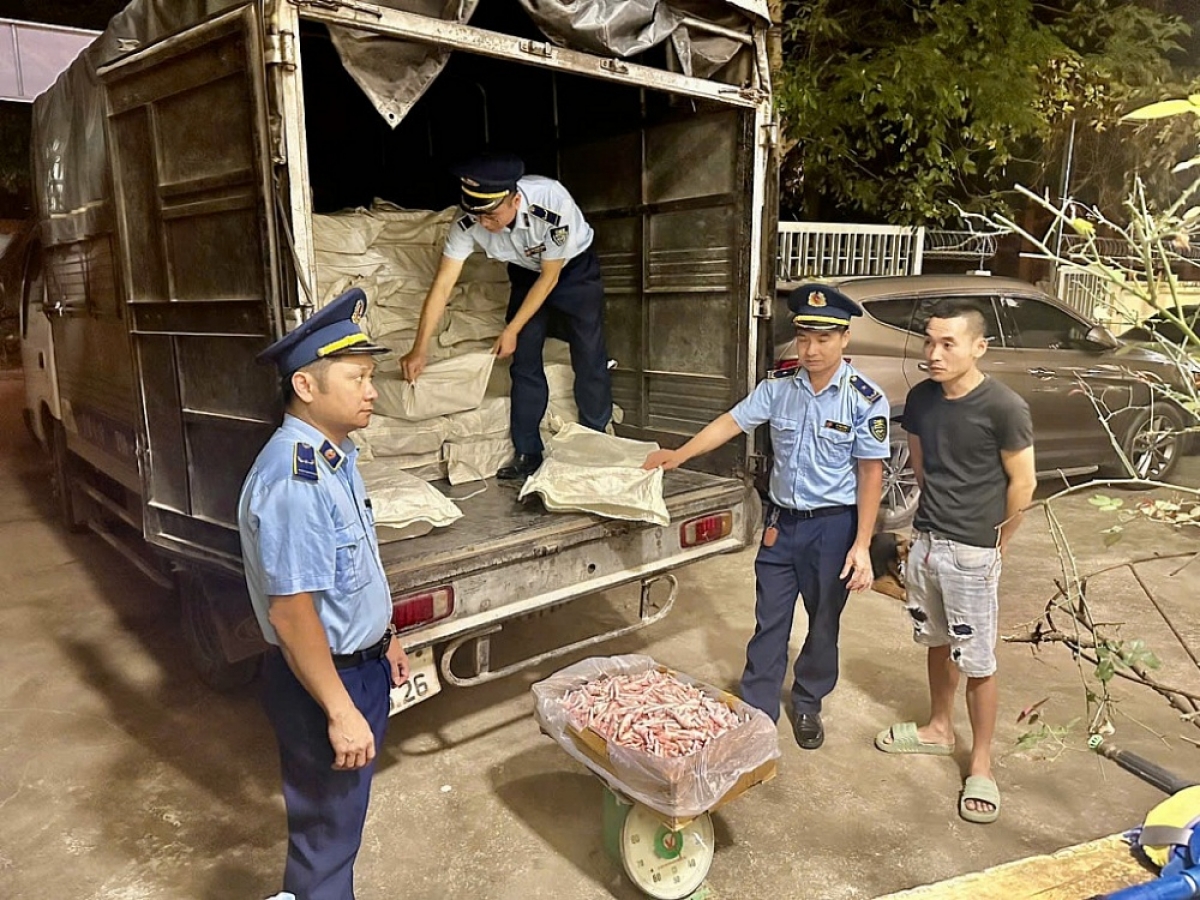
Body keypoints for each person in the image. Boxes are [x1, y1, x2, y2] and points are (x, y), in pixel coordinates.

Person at [644, 284, 889, 749]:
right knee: (770, 618)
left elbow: (870, 474)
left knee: (822, 624)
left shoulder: (864, 398)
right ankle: (758, 708)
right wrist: (680, 454)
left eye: (823, 339)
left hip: (833, 528)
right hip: (782, 523)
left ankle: (808, 702)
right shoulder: (778, 388)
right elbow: (732, 421)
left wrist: (861, 544)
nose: (811, 350)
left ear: (843, 340)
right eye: (803, 338)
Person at [238, 287, 410, 900]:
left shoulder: (334, 457)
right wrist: (340, 711)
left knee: (338, 829)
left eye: (370, 376)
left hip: (355, 669)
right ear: (306, 387)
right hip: (321, 684)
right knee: (326, 841)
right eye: (357, 377)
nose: (372, 391)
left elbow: (349, 570)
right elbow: (292, 612)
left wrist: (383, 636)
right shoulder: (294, 478)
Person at [874, 298, 1036, 825]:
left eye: (948, 343)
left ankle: (982, 764)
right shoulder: (922, 398)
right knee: (937, 640)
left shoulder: (1004, 406)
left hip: (974, 550)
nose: (935, 353)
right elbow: (921, 466)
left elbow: (1024, 483)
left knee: (979, 659)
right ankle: (938, 728)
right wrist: (929, 530)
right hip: (927, 542)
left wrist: (999, 542)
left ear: (977, 347)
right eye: (929, 341)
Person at [399, 153, 613, 479]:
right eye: (477, 216)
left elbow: (550, 277)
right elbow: (442, 285)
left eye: (491, 216)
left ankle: (595, 440)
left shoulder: (551, 202)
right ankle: (528, 452)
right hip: (526, 273)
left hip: (572, 270)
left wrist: (511, 328)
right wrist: (420, 347)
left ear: (514, 199)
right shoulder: (468, 220)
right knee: (524, 360)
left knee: (588, 352)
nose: (484, 224)